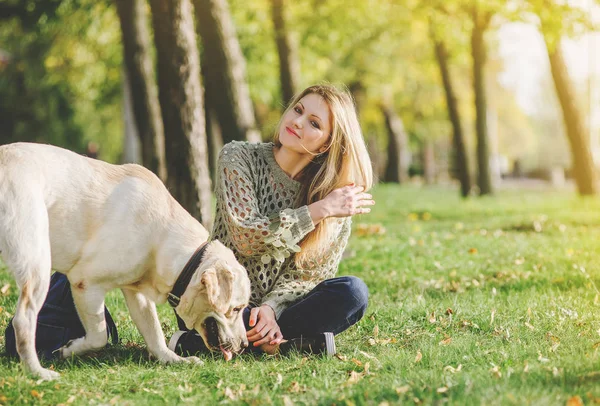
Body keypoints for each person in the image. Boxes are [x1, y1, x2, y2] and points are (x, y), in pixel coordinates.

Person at [169, 83, 375, 356]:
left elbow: (307, 277)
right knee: (209, 303)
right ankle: (286, 346)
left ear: (327, 143)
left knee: (354, 292)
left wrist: (271, 309)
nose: (298, 122)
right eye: (298, 110)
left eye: (313, 123)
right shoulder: (238, 157)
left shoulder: (334, 197)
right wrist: (318, 210)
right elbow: (246, 237)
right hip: (221, 299)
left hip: (280, 312)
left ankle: (222, 344)